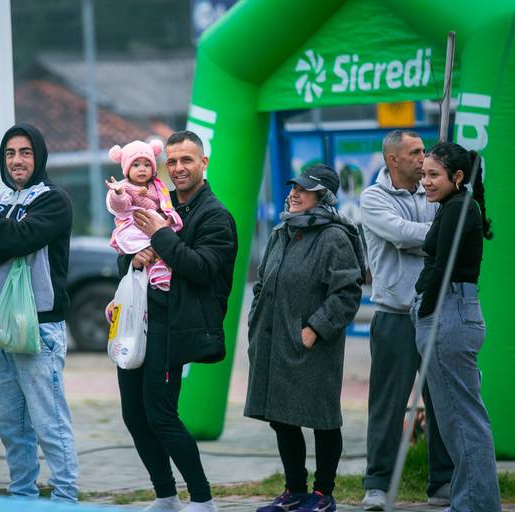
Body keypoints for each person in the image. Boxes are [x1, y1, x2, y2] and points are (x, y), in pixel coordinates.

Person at [0, 123, 79, 504]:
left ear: (38, 156)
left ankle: (65, 498)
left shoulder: (54, 200)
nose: (17, 160)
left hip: (40, 328)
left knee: (50, 423)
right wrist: (5, 232)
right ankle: (22, 496)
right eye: (10, 153)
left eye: (25, 152)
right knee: (11, 426)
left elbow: (18, 239)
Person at [120, 130, 237, 512]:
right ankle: (166, 495)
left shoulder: (216, 215)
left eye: (187, 159)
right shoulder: (160, 201)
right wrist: (133, 258)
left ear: (204, 162)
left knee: (161, 415)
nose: (178, 168)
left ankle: (202, 498)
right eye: (171, 161)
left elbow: (201, 269)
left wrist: (159, 233)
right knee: (134, 416)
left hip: (174, 328)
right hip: (138, 323)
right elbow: (128, 251)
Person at [245, 165, 364, 512]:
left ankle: (323, 494)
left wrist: (314, 329)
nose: (294, 194)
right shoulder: (281, 230)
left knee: (322, 419)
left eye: (304, 190)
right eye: (294, 187)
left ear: (323, 197)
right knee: (281, 418)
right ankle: (294, 491)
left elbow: (347, 292)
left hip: (313, 345)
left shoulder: (334, 236)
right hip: (274, 340)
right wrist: (256, 319)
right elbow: (262, 283)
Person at [359, 130, 452, 510]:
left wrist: (437, 234)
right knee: (388, 404)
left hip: (435, 313)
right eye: (415, 152)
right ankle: (377, 485)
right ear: (393, 159)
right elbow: (401, 235)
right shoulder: (373, 197)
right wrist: (441, 234)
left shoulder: (435, 192)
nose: (423, 158)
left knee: (442, 402)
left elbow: (443, 237)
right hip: (395, 316)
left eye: (424, 151)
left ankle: (442, 483)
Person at [411, 142, 500, 512]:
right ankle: (471, 500)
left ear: (458, 176)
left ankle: (475, 504)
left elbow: (441, 266)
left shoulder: (458, 208)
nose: (426, 182)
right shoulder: (453, 205)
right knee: (455, 419)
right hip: (450, 311)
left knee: (462, 420)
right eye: (424, 174)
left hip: (447, 313)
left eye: (434, 175)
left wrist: (425, 310)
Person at [105, 139, 183, 291]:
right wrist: (118, 193)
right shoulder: (124, 187)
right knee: (144, 253)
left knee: (159, 253)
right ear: (127, 169)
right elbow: (121, 206)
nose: (142, 169)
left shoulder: (157, 186)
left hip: (156, 224)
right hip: (135, 224)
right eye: (136, 165)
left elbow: (160, 203)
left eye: (147, 165)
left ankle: (160, 273)